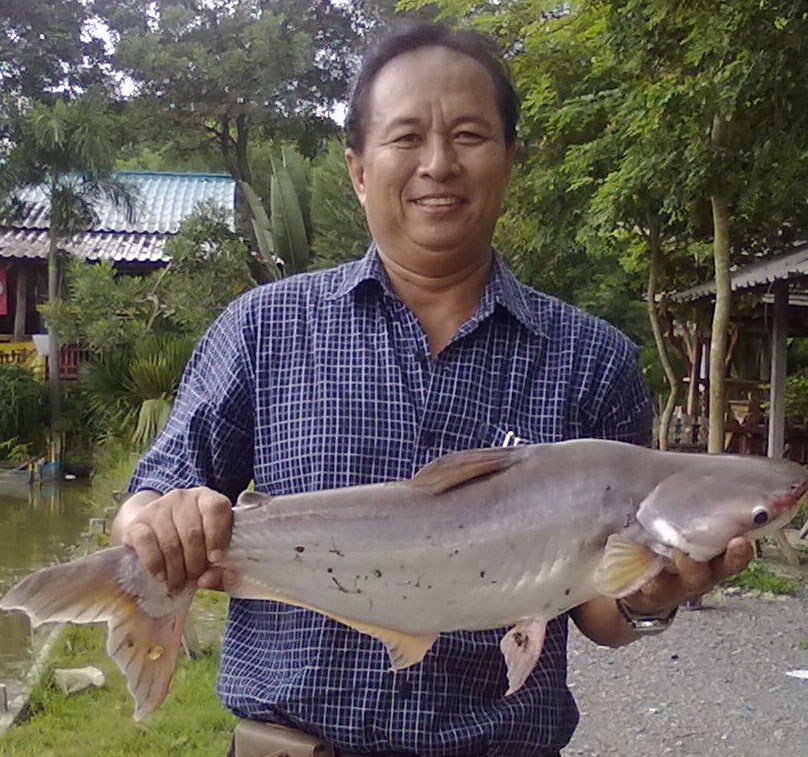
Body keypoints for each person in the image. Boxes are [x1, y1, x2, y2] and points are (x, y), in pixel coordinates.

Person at [111, 22, 753, 757]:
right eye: (407, 137)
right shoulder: (264, 328)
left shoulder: (592, 359)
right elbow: (149, 497)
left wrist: (652, 596)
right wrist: (157, 525)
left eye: (470, 135)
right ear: (358, 168)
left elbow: (596, 607)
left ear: (510, 159)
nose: (439, 163)